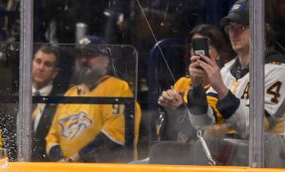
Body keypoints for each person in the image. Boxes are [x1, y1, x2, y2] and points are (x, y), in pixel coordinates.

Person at [187, 0, 285, 141]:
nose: (233, 33)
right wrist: (197, 88)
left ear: (262, 30)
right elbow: (202, 124)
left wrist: (221, 89)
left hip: (273, 159)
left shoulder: (279, 71)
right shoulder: (227, 70)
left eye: (241, 27)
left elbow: (255, 129)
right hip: (236, 157)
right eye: (230, 28)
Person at [45, 35, 141, 163]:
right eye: (79, 55)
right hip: (67, 171)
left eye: (90, 54)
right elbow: (52, 137)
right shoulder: (70, 93)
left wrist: (76, 159)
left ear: (106, 59)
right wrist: (60, 159)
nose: (84, 59)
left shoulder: (118, 87)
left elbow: (115, 136)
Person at [156, 24, 231, 143]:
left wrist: (179, 109)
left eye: (207, 46)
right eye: (194, 47)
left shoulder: (223, 85)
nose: (200, 53)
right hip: (175, 150)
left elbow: (205, 129)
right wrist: (167, 106)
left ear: (218, 53)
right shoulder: (182, 83)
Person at [19, 44, 61, 161]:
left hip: (46, 169)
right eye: (38, 61)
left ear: (55, 72)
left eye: (47, 64)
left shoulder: (61, 103)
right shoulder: (16, 99)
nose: (41, 68)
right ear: (31, 63)